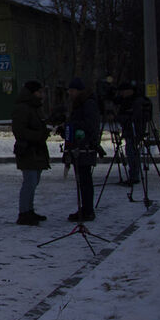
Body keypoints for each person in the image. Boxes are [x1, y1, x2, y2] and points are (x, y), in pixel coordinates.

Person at [11, 80, 51, 225]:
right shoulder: (23, 108)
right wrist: (39, 135)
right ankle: (23, 212)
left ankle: (29, 210)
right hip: (28, 149)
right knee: (30, 181)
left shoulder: (35, 107)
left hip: (36, 149)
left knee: (34, 181)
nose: (42, 95)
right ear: (33, 93)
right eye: (39, 92)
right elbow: (19, 131)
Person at [63, 77, 101, 222]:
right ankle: (86, 209)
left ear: (79, 91)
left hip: (85, 147)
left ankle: (87, 210)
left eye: (72, 91)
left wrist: (72, 125)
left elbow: (90, 125)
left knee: (85, 180)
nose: (70, 94)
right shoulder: (81, 103)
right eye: (69, 91)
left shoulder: (88, 104)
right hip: (80, 146)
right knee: (83, 180)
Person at [116, 82, 146, 186]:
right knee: (131, 151)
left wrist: (120, 117)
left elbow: (134, 117)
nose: (121, 94)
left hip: (134, 130)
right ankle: (134, 175)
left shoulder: (136, 101)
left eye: (123, 91)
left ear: (129, 91)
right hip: (131, 130)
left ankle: (134, 176)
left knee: (132, 152)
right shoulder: (129, 100)